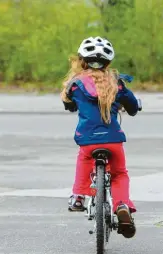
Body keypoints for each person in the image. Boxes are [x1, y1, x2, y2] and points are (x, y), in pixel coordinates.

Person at [61, 36, 140, 239]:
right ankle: (122, 205)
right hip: (113, 140)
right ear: (108, 63)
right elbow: (132, 107)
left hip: (87, 140)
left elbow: (68, 104)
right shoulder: (117, 84)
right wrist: (133, 105)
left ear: (82, 61)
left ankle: (78, 196)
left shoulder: (75, 85)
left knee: (83, 158)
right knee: (119, 174)